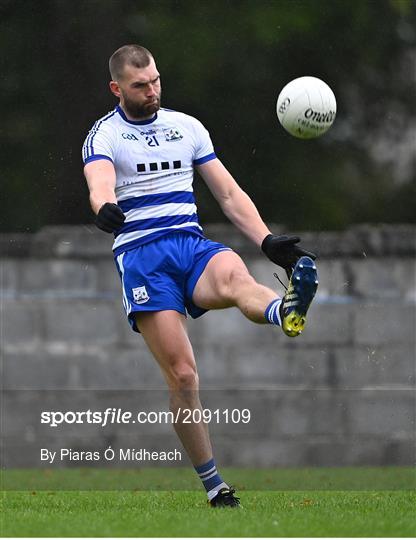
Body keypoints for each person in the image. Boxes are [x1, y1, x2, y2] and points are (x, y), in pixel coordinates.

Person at [82, 44, 318, 508]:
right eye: (139, 86)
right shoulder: (103, 135)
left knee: (237, 277)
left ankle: (282, 309)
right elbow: (99, 181)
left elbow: (228, 194)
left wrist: (267, 241)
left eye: (155, 81)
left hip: (191, 246)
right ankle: (215, 486)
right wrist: (104, 206)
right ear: (116, 89)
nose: (151, 91)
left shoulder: (186, 127)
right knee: (184, 376)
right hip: (144, 259)